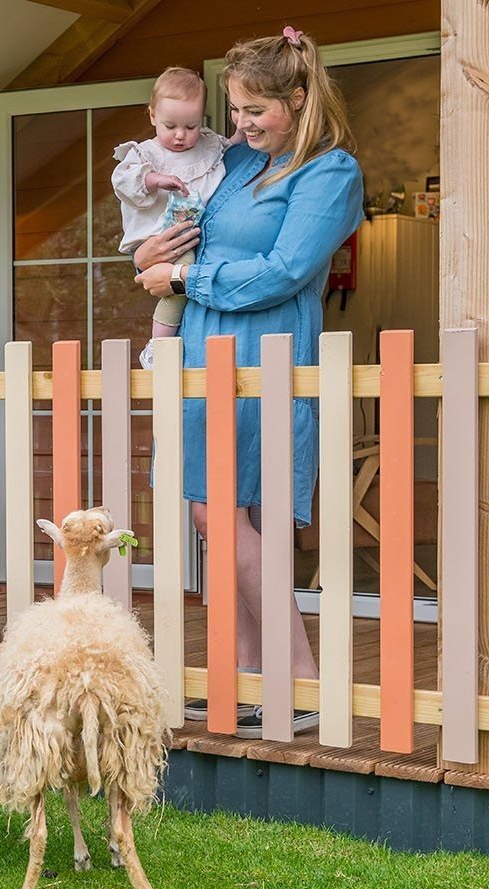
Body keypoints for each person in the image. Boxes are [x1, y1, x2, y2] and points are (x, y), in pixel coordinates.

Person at [133, 27, 363, 737]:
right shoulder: (233, 163)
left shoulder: (329, 173)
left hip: (265, 354)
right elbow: (175, 224)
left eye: (254, 110)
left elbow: (284, 271)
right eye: (234, 110)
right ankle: (245, 679)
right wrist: (150, 254)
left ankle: (302, 682)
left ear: (299, 99)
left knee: (231, 518)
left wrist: (182, 277)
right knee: (222, 519)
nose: (239, 124)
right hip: (202, 353)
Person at [112, 66, 242, 359]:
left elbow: (230, 148)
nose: (180, 135)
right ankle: (158, 347)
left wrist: (240, 133)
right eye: (170, 126)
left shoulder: (207, 145)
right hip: (159, 236)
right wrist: (154, 179)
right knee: (179, 285)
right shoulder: (147, 153)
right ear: (152, 116)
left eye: (191, 126)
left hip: (188, 234)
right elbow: (123, 180)